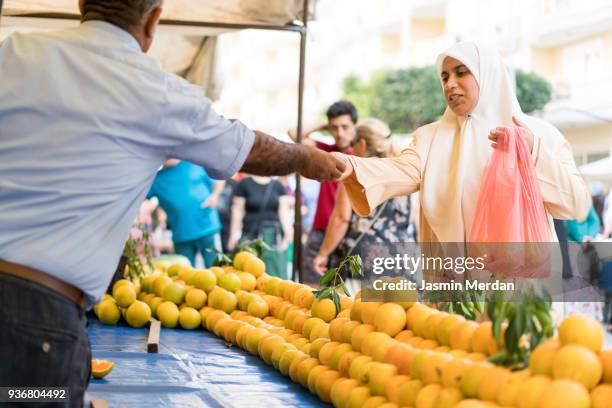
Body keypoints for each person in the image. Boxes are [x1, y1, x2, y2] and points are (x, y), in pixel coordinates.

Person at [0, 0, 345, 404]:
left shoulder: (14, 52)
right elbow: (248, 149)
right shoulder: (156, 91)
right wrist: (309, 159)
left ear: (81, 4)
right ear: (153, 20)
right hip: (36, 322)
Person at [335, 42, 590, 246]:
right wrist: (348, 166)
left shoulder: (542, 135)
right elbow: (400, 171)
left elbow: (575, 204)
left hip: (520, 295)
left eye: (461, 72)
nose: (450, 84)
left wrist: (531, 151)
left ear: (487, 76)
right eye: (444, 77)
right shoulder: (429, 138)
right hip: (456, 290)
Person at [313, 119, 412, 288]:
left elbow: (341, 218)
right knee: (392, 314)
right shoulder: (403, 172)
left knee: (358, 314)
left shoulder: (356, 174)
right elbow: (413, 217)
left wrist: (323, 254)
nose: (351, 148)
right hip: (400, 265)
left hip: (362, 265)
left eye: (353, 143)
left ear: (362, 143)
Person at [289, 100, 358, 284]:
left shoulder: (362, 154)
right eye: (334, 128)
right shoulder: (327, 151)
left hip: (347, 234)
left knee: (344, 295)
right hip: (320, 231)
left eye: (345, 126)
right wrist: (323, 125)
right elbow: (294, 134)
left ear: (354, 126)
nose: (340, 133)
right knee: (311, 289)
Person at [147, 159, 224, 267]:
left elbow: (220, 179)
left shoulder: (194, 163)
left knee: (217, 269)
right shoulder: (154, 180)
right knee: (184, 276)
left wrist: (214, 196)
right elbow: (141, 199)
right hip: (181, 234)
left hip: (207, 228)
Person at [227, 176, 292, 251]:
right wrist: (233, 236)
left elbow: (284, 212)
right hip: (250, 236)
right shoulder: (244, 184)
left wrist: (287, 236)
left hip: (272, 238)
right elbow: (237, 212)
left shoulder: (277, 185)